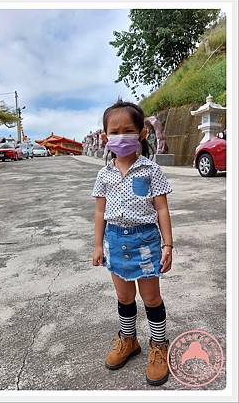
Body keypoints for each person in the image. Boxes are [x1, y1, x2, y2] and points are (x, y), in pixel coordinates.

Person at [91, 99, 173, 386]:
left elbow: (161, 208)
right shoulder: (104, 174)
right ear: (105, 137)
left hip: (146, 241)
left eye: (128, 130)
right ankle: (129, 340)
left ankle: (159, 345)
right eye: (114, 131)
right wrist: (98, 245)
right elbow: (100, 212)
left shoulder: (151, 171)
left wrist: (168, 245)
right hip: (114, 240)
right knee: (124, 297)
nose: (120, 136)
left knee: (151, 298)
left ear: (142, 134)